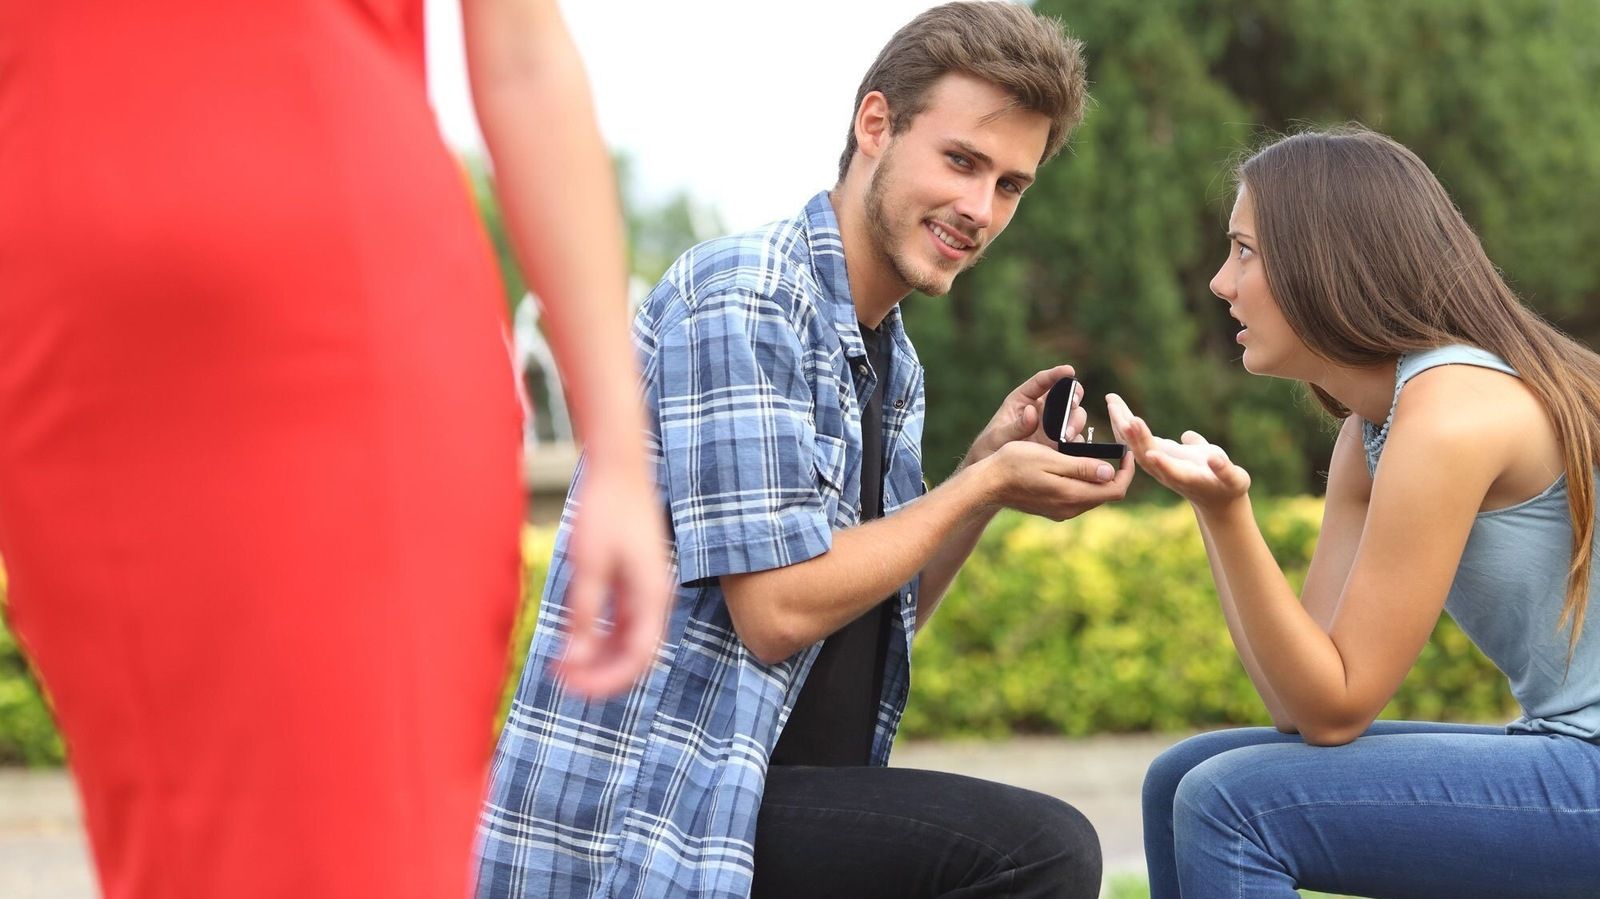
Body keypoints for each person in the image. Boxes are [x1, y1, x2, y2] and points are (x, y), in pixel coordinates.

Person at [0, 1, 667, 897]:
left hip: (341, 339)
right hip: (72, 374)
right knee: (178, 855)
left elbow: (521, 58)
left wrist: (618, 450)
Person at [475, 4, 1133, 898]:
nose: (979, 209)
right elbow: (776, 608)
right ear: (875, 125)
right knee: (1041, 849)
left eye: (1010, 185)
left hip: (763, 803)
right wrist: (978, 486)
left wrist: (986, 477)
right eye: (961, 161)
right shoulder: (747, 297)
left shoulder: (890, 358)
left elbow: (873, 615)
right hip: (658, 827)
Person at [1109, 127, 1600, 898]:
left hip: (1589, 763)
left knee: (1229, 804)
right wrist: (1216, 509)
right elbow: (1296, 703)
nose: (1218, 282)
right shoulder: (1369, 433)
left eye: (1244, 251)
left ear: (1324, 261)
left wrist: (1231, 512)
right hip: (1570, 752)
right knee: (1182, 777)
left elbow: (1337, 709)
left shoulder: (1449, 412)